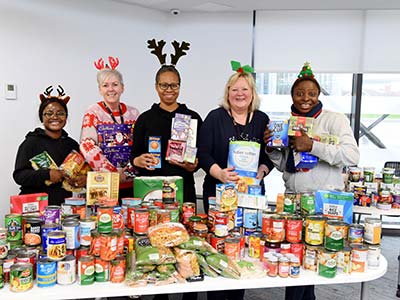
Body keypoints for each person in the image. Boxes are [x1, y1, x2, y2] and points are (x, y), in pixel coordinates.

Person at [264, 62, 360, 300]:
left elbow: (352, 156)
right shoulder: (288, 124)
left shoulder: (335, 120)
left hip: (323, 203)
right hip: (293, 204)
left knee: (315, 261)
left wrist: (313, 146)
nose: (305, 98)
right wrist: (272, 148)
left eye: (311, 93)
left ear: (318, 95)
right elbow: (283, 165)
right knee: (296, 257)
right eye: (299, 93)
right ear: (293, 96)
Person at [197, 61, 274, 300]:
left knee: (243, 247)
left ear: (252, 94)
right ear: (227, 93)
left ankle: (238, 292)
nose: (239, 94)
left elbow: (271, 154)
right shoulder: (215, 117)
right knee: (219, 244)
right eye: (234, 89)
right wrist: (218, 172)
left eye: (244, 89)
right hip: (219, 194)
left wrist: (264, 169)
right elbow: (202, 153)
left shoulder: (262, 119)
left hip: (249, 198)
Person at [132, 39, 202, 205]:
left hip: (183, 189)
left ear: (180, 86)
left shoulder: (193, 118)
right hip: (150, 190)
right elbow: (134, 156)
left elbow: (200, 158)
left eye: (174, 85)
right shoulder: (145, 119)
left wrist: (193, 165)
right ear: (156, 86)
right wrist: (139, 160)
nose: (169, 90)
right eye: (164, 85)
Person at [13, 86, 86, 206]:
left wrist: (83, 179)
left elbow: (84, 171)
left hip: (64, 207)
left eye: (60, 113)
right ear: (42, 117)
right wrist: (47, 174)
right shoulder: (31, 142)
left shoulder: (72, 144)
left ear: (66, 117)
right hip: (34, 208)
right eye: (49, 113)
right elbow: (19, 176)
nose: (55, 117)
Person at [80, 56, 139, 199]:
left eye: (115, 84)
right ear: (100, 89)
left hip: (131, 181)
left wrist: (128, 172)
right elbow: (87, 146)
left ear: (122, 87)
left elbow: (140, 145)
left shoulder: (134, 113)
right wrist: (111, 172)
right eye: (105, 85)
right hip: (103, 182)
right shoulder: (93, 112)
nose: (111, 89)